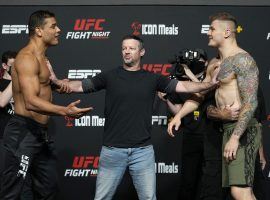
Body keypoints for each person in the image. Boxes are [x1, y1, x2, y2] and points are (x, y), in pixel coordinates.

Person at [58, 34, 219, 200]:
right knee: (102, 198)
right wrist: (58, 82)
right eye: (124, 48)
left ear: (141, 52)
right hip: (112, 150)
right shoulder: (109, 76)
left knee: (149, 197)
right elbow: (81, 85)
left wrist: (210, 84)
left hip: (142, 152)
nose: (127, 52)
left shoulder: (153, 78)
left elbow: (184, 86)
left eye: (131, 48)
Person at [0, 10, 92, 200]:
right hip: (22, 133)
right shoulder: (26, 58)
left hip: (41, 134)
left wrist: (58, 83)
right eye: (53, 26)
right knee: (12, 193)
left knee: (49, 189)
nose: (58, 30)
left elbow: (45, 87)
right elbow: (31, 101)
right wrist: (64, 111)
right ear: (39, 31)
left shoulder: (44, 59)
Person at [168, 12, 260, 200]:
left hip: (241, 130)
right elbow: (200, 95)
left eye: (212, 29)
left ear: (227, 32)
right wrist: (179, 115)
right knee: (235, 191)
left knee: (240, 191)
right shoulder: (214, 63)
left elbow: (251, 103)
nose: (208, 33)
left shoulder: (242, 60)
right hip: (223, 130)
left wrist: (235, 137)